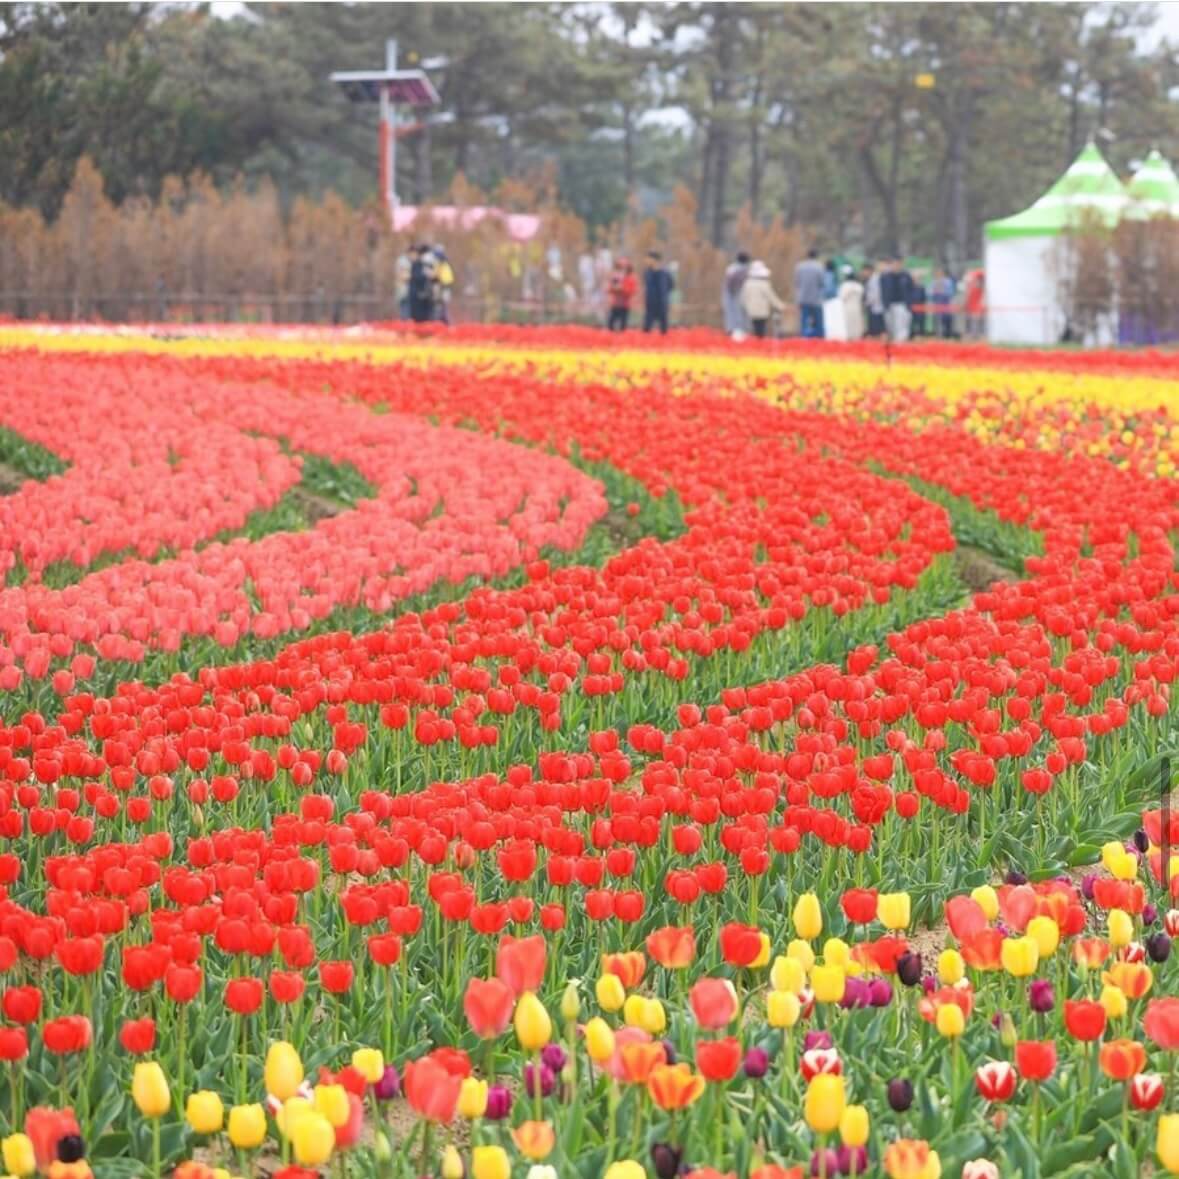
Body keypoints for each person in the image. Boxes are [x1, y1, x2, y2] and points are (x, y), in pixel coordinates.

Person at [739, 259, 785, 338]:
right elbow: (771, 297)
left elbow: (743, 298)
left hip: (751, 311)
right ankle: (760, 343)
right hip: (762, 311)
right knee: (761, 329)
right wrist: (781, 306)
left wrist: (744, 307)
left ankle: (757, 343)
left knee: (755, 328)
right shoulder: (764, 284)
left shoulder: (747, 283)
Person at [794, 248, 826, 338]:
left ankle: (804, 338)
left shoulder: (800, 267)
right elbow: (822, 283)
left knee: (804, 321)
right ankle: (819, 339)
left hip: (803, 298)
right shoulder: (819, 267)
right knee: (818, 321)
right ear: (816, 256)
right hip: (816, 299)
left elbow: (797, 283)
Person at [881, 258, 913, 342]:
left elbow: (911, 289)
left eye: (898, 264)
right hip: (889, 304)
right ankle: (893, 340)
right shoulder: (885, 276)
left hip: (902, 304)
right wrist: (885, 303)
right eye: (894, 264)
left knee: (902, 324)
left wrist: (909, 303)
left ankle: (901, 341)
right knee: (891, 325)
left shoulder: (906, 276)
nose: (896, 266)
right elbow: (883, 291)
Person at [643, 250, 674, 334]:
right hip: (650, 303)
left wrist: (664, 299)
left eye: (648, 258)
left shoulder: (665, 273)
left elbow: (671, 286)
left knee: (663, 327)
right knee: (646, 327)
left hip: (662, 303)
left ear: (654, 259)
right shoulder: (647, 273)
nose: (646, 260)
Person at [722, 251, 751, 337]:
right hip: (734, 293)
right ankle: (735, 331)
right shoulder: (740, 269)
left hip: (733, 293)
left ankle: (734, 330)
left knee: (733, 313)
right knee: (736, 312)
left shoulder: (732, 268)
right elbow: (730, 283)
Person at [607, 257, 638, 331]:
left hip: (625, 304)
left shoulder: (630, 277)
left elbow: (632, 291)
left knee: (623, 325)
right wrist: (614, 288)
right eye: (620, 266)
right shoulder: (615, 276)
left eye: (624, 267)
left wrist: (623, 289)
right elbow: (609, 288)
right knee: (610, 324)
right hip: (615, 304)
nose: (622, 269)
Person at [408, 244, 435, 323]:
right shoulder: (417, 265)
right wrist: (425, 275)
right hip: (417, 296)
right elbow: (416, 277)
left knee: (427, 318)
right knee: (418, 318)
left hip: (426, 297)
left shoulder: (429, 265)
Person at [838, 265, 865, 341]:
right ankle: (857, 338)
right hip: (857, 307)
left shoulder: (844, 285)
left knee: (849, 324)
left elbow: (842, 297)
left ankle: (850, 338)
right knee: (857, 324)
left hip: (848, 307)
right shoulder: (858, 286)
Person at [930, 267, 956, 338]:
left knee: (947, 321)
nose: (939, 275)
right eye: (937, 273)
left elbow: (951, 293)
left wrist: (943, 291)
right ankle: (938, 335)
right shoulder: (934, 282)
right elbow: (930, 294)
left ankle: (948, 335)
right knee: (937, 321)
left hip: (946, 304)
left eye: (940, 273)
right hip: (937, 304)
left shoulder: (948, 282)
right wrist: (936, 292)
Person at [433, 246, 455, 325]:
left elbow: (438, 277)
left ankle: (445, 324)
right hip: (445, 287)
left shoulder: (442, 265)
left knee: (442, 309)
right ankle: (444, 323)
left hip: (444, 288)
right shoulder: (444, 264)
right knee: (442, 308)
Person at [863, 263, 885, 337]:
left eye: (865, 271)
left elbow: (875, 294)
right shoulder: (871, 279)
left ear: (869, 270)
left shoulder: (874, 279)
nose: (863, 273)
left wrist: (867, 303)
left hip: (876, 306)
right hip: (873, 306)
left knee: (877, 329)